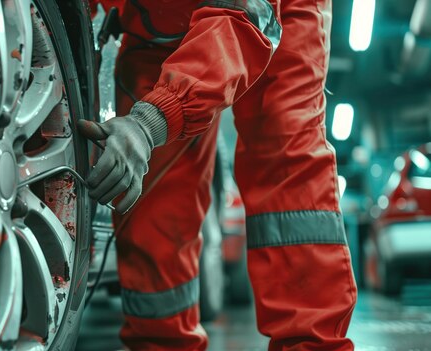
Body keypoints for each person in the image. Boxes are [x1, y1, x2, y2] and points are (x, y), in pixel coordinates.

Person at [79, 0, 358, 349]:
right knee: (153, 199)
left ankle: (309, 344)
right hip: (155, 25)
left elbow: (240, 19)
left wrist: (150, 123)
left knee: (286, 168)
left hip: (271, 12)